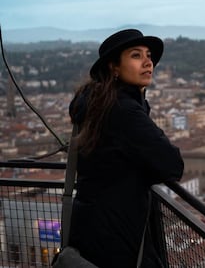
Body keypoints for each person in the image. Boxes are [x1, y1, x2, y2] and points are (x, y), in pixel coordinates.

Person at [67, 29, 184, 267]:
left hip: (90, 226)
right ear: (114, 67)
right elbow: (172, 165)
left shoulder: (95, 104)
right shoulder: (124, 111)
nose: (148, 62)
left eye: (148, 55)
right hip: (119, 234)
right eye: (135, 55)